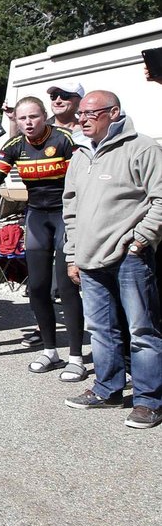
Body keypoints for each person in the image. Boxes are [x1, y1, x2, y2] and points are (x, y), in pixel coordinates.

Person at [0, 97, 84, 377]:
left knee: (65, 288)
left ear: (44, 116)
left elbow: (82, 179)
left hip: (66, 216)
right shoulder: (14, 146)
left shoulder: (64, 139)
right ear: (16, 120)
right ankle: (50, 351)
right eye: (22, 118)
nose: (28, 123)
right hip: (37, 216)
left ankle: (76, 356)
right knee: (37, 287)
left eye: (34, 117)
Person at [62, 90, 162, 429]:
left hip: (129, 257)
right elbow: (71, 209)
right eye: (80, 114)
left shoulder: (142, 147)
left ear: (113, 113)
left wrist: (140, 240)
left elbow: (160, 198)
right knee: (101, 330)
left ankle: (149, 400)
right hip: (89, 260)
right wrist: (72, 254)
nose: (82, 119)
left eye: (91, 113)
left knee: (142, 329)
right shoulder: (80, 155)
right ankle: (108, 389)